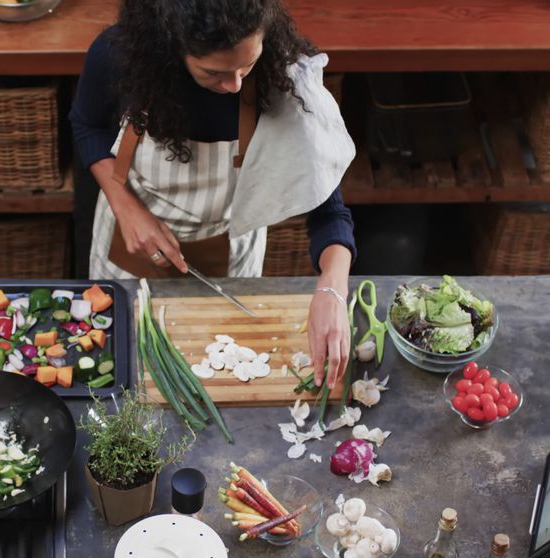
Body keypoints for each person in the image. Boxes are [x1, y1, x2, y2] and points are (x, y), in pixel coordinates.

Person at [70, 0, 357, 388]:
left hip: (230, 255)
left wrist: (333, 289)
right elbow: (87, 126)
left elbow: (329, 210)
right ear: (172, 44)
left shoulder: (283, 75)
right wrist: (126, 207)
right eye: (214, 72)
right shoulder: (120, 55)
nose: (235, 85)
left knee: (221, 371)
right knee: (126, 376)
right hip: (128, 243)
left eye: (247, 65)